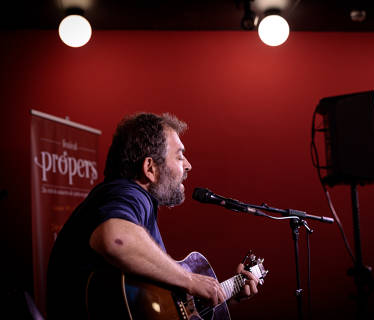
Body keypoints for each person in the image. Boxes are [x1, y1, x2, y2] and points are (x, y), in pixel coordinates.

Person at [47, 112, 259, 319]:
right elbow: (115, 239)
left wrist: (220, 296)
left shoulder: (127, 198)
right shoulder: (129, 194)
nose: (188, 165)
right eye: (179, 156)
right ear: (150, 168)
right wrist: (190, 279)